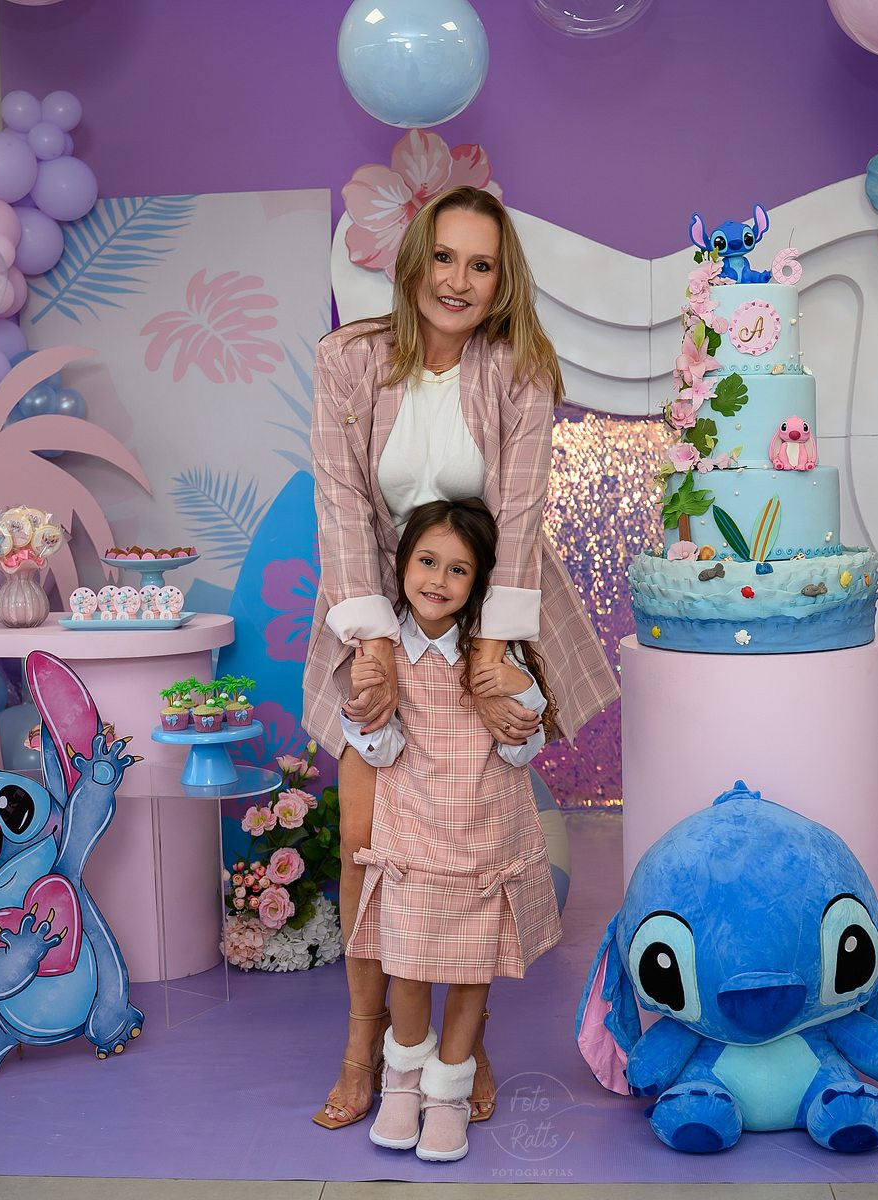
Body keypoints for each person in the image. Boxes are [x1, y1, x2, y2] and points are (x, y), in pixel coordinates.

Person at [307, 184, 620, 1130]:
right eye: (444, 257)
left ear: (501, 281)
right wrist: (371, 645)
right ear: (414, 262)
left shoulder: (518, 369)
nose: (458, 280)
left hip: (485, 607)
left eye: (480, 265)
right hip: (374, 604)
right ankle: (364, 1042)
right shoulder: (348, 359)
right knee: (369, 845)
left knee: (470, 839)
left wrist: (490, 654)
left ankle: (463, 1042)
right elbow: (340, 501)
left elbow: (518, 516)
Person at [341, 498, 563, 1162]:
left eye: (458, 569)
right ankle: (403, 1082)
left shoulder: (497, 652)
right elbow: (380, 751)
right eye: (427, 561)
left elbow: (522, 752)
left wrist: (520, 687)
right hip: (414, 838)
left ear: (480, 580)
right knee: (408, 969)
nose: (438, 580)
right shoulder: (382, 653)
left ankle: (449, 1092)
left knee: (470, 974)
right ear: (402, 565)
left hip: (483, 836)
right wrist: (364, 706)